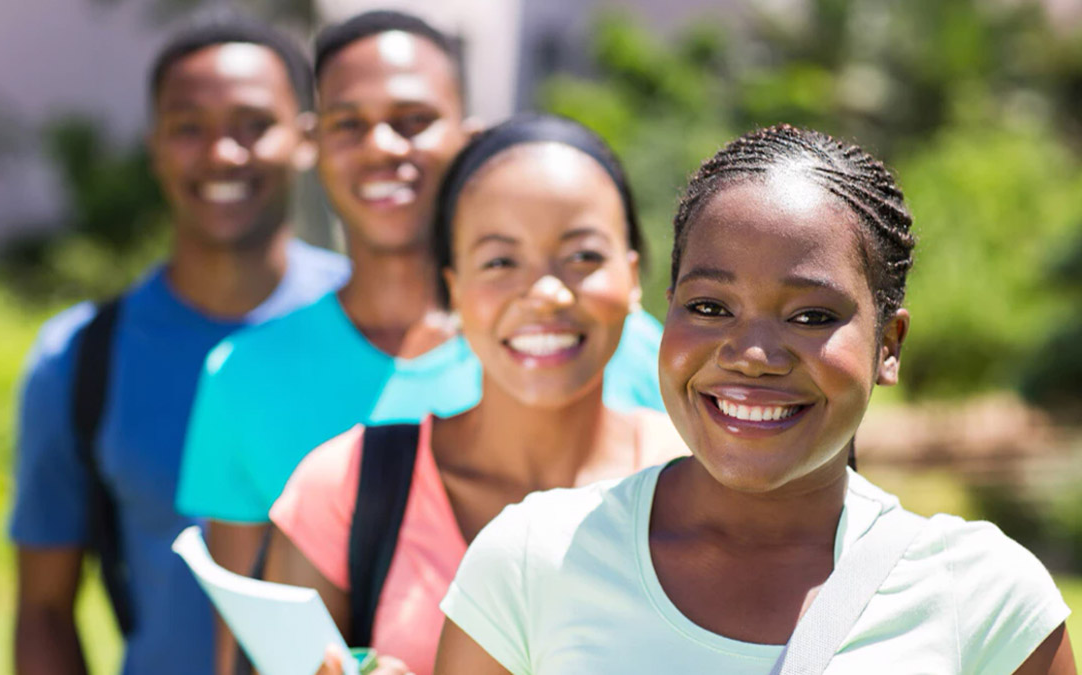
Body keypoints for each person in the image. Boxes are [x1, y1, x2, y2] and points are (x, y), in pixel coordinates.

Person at [436, 125, 1076, 674]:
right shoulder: (531, 559)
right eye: (710, 307)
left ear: (889, 343)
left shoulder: (986, 596)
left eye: (811, 315)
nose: (752, 353)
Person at [174, 14, 665, 669]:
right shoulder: (299, 435)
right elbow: (249, 649)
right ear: (457, 287)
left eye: (412, 118)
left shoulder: (668, 413)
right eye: (349, 122)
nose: (545, 296)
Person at [268, 114, 687, 675]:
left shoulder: (702, 481)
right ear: (453, 289)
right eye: (499, 261)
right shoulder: (344, 489)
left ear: (632, 276)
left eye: (583, 255)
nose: (545, 293)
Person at [8, 14, 349, 675]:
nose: (223, 153)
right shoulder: (79, 359)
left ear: (305, 140)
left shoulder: (381, 331)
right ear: (155, 145)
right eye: (190, 127)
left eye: (254, 124)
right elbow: (43, 607)